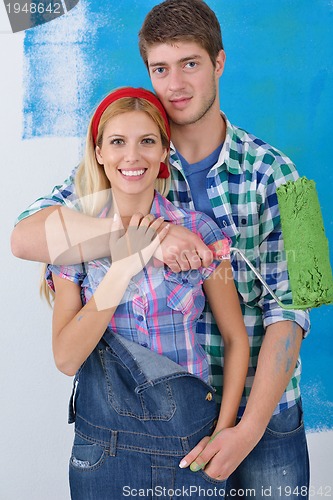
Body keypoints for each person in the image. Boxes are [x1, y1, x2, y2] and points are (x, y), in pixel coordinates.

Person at [11, 1, 310, 497]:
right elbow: (25, 236)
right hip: (151, 428)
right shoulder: (130, 160)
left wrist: (247, 428)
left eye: (191, 64)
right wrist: (146, 238)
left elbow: (301, 303)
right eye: (160, 69)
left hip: (264, 421)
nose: (175, 84)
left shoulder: (287, 176)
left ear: (219, 62)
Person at [43, 86, 249, 498]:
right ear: (99, 152)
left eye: (147, 141)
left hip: (190, 448)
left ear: (163, 154)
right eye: (117, 142)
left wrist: (223, 433)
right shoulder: (72, 240)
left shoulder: (200, 234)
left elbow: (235, 339)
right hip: (103, 453)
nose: (132, 156)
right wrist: (122, 266)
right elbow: (66, 359)